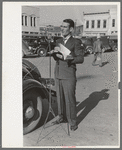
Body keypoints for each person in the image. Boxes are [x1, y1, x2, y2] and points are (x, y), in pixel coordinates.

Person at [50, 19, 84, 131]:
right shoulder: (59, 40)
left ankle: (73, 122)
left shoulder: (76, 42)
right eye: (61, 26)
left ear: (71, 29)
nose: (62, 29)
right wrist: (54, 54)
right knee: (60, 98)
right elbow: (57, 57)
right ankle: (61, 117)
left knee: (70, 99)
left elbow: (80, 58)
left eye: (65, 27)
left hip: (69, 74)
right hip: (58, 73)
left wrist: (65, 57)